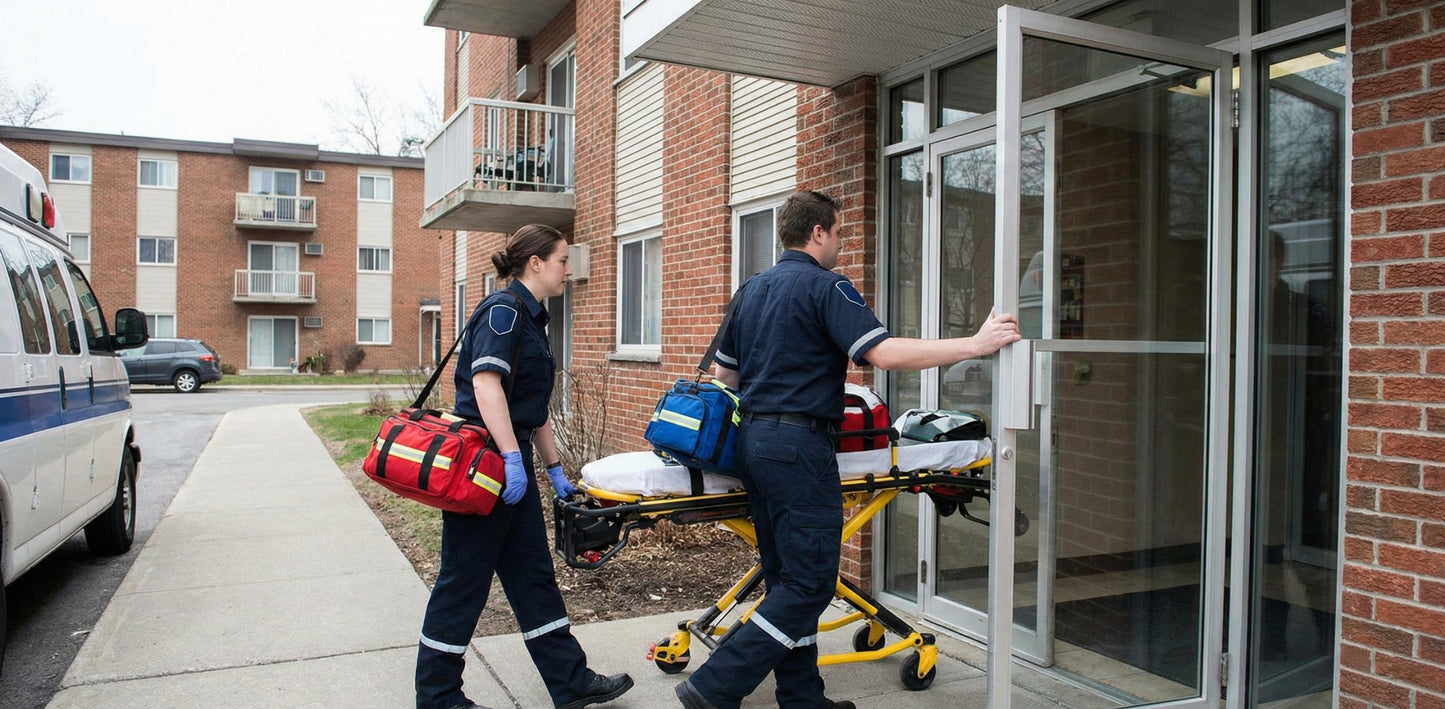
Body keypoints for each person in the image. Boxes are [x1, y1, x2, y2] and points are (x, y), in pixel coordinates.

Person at [675, 190, 1022, 709]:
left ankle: (802, 699)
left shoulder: (751, 289)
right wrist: (975, 344)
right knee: (811, 585)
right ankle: (713, 687)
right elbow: (882, 353)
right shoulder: (828, 287)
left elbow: (725, 375)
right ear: (818, 232)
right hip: (799, 446)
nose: (841, 242)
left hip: (754, 444)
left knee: (785, 582)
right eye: (838, 232)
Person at [416, 224, 633, 709]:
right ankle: (437, 698)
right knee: (462, 584)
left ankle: (570, 683)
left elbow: (530, 407)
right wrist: (513, 458)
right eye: (562, 260)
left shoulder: (532, 319)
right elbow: (488, 386)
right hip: (485, 470)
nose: (568, 269)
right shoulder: (504, 312)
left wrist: (554, 471)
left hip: (509, 471)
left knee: (534, 576)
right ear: (535, 262)